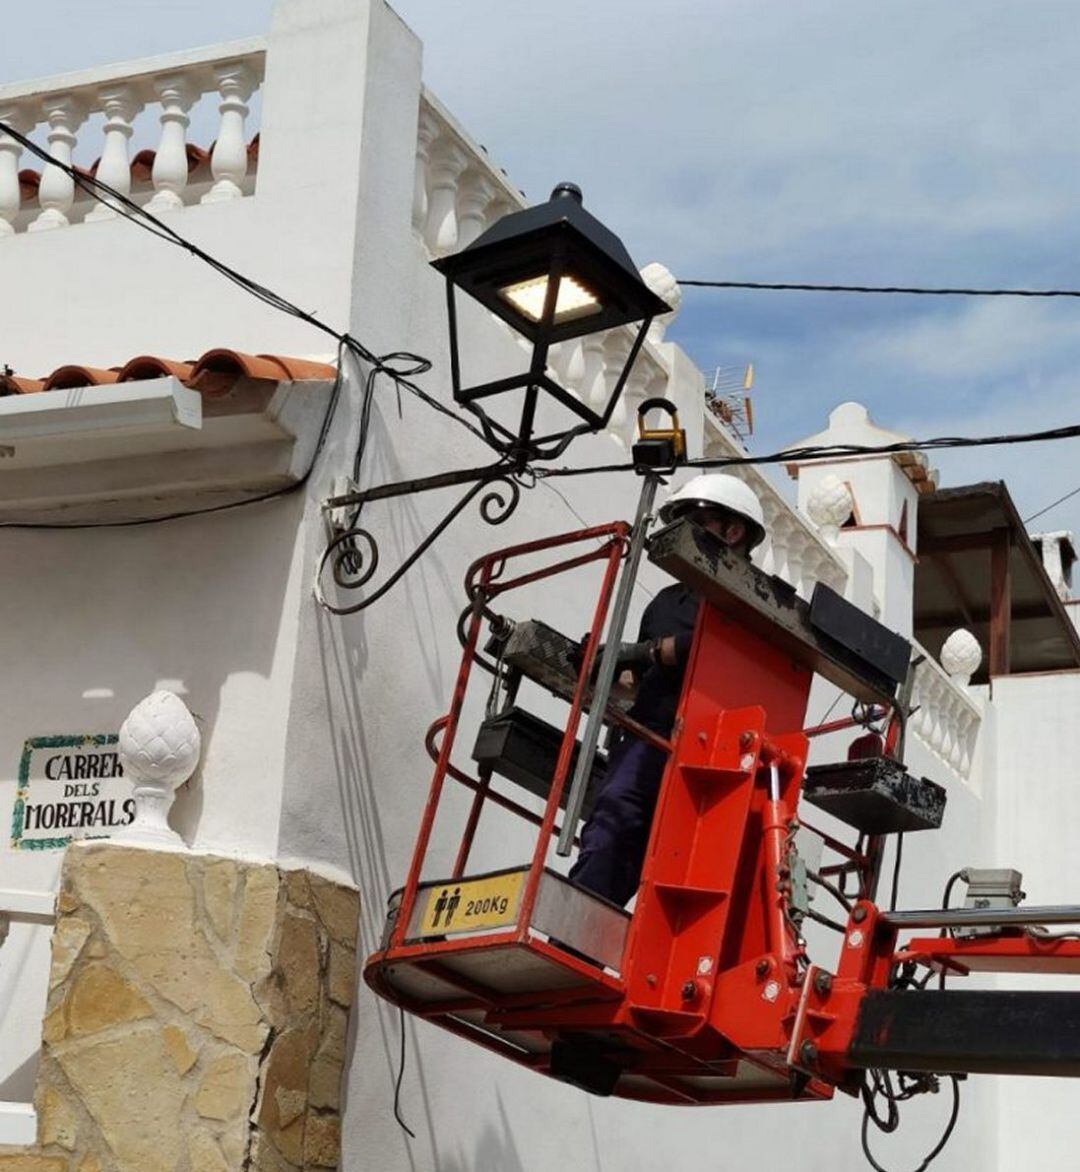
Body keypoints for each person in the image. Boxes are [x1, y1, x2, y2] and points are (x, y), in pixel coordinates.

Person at [569, 473, 767, 906]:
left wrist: (645, 652)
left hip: (706, 749)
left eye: (691, 518)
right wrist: (601, 667)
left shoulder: (751, 596)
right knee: (611, 829)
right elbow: (636, 685)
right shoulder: (665, 601)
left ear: (733, 531)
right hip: (644, 740)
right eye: (674, 518)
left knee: (679, 862)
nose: (678, 529)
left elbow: (718, 646)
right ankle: (581, 922)